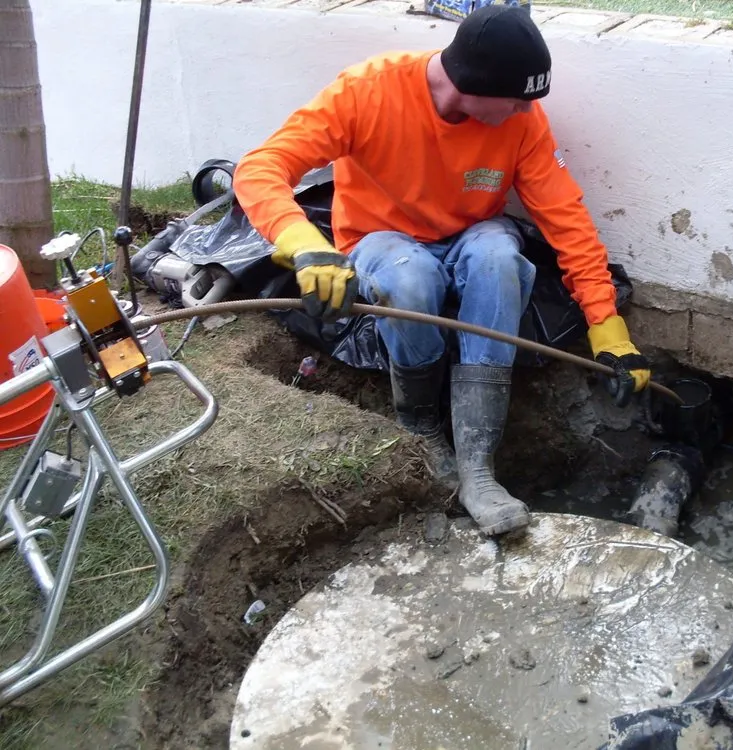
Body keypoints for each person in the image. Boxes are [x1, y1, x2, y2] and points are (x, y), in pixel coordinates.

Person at [232, 4, 650, 537]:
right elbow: (262, 166)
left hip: (476, 235)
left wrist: (606, 324)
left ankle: (478, 468)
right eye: (518, 100)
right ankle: (422, 429)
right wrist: (303, 244)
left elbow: (566, 218)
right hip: (381, 238)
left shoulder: (521, 124)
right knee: (410, 279)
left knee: (501, 261)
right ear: (470, 86)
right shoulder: (368, 92)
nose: (526, 112)